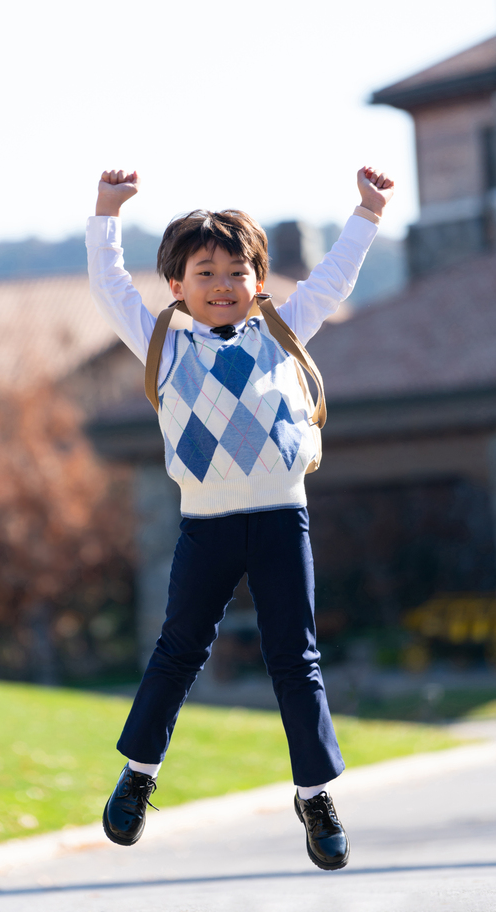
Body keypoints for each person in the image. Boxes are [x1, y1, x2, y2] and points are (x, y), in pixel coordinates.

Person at [86, 166, 394, 871]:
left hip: (282, 520)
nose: (222, 284)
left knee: (296, 660)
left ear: (259, 281)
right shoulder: (160, 344)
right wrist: (106, 214)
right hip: (207, 526)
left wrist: (366, 215)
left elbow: (332, 281)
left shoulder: (279, 331)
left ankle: (315, 795)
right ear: (176, 285)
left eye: (237, 271)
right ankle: (137, 777)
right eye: (205, 272)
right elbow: (107, 287)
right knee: (177, 651)